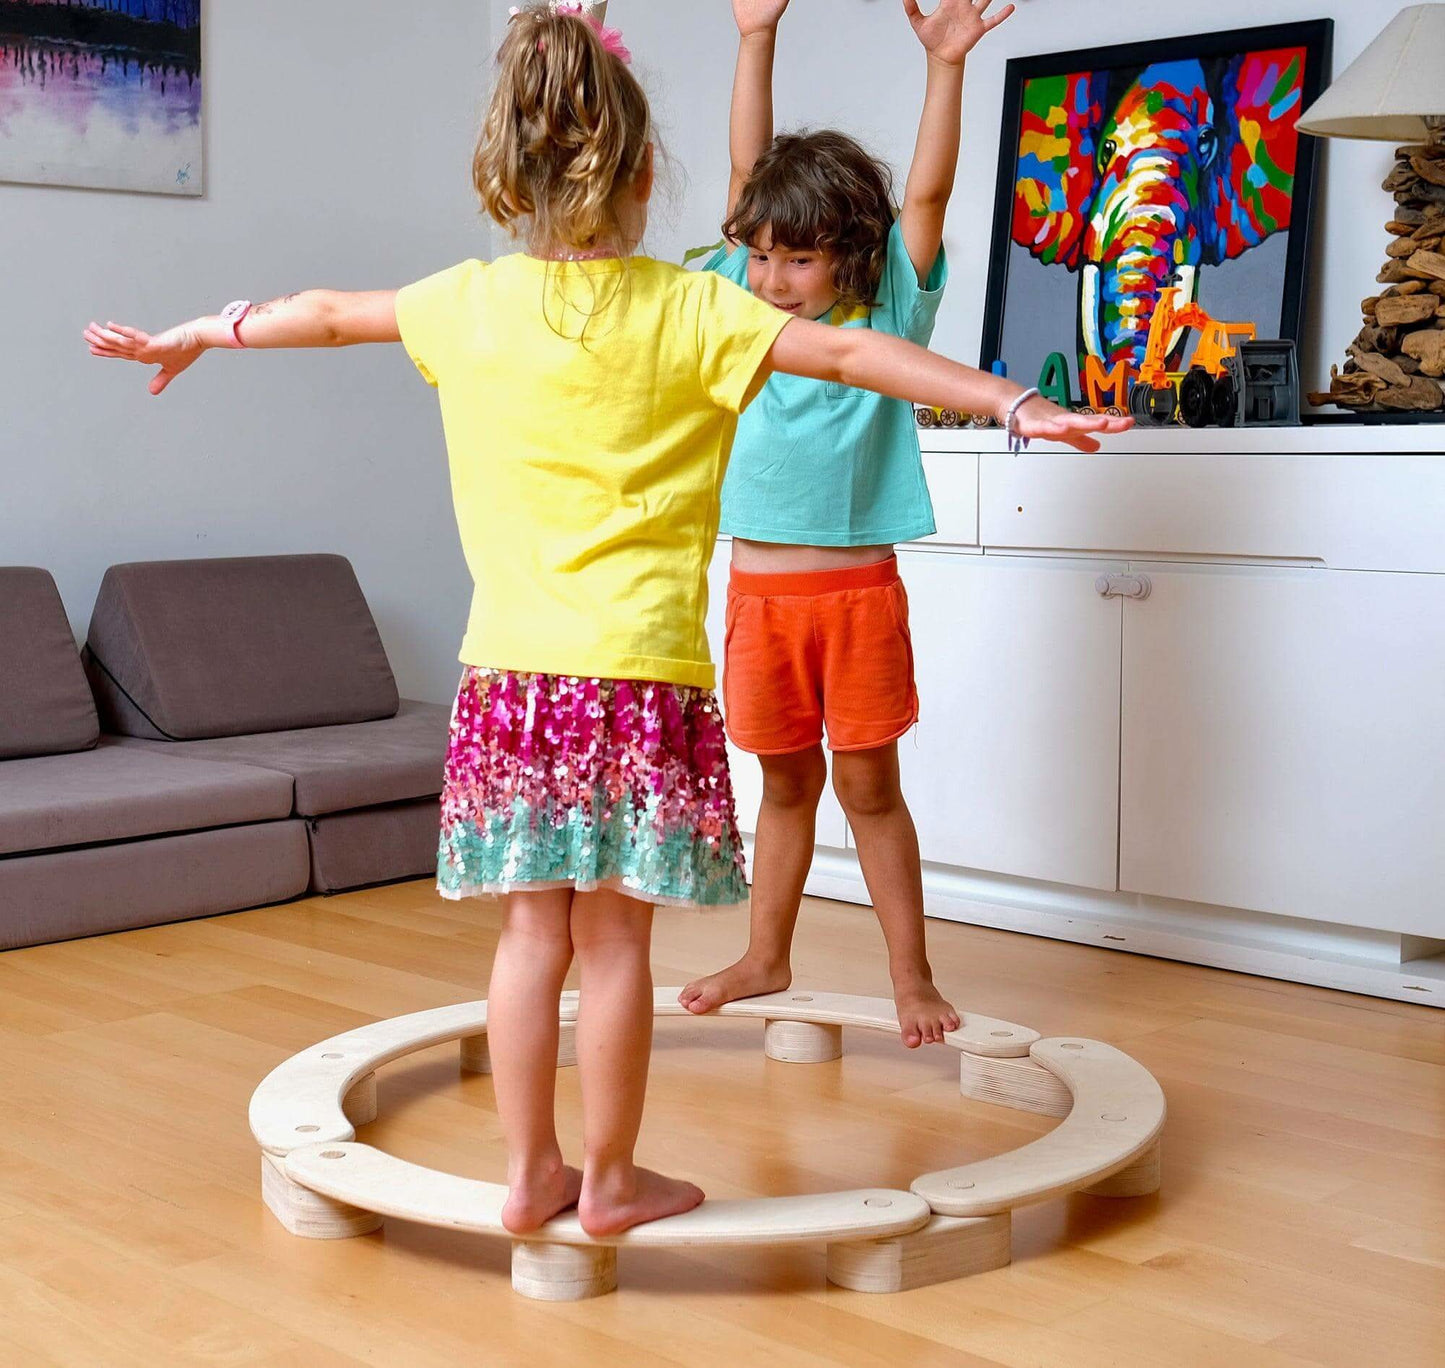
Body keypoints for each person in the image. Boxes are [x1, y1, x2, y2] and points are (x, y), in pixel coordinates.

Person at [85, 3, 1126, 1236]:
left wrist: (205, 330)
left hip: (509, 684)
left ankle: (531, 1175)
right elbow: (854, 361)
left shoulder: (464, 302)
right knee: (617, 946)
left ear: (506, 174)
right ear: (643, 173)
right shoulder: (693, 312)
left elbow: (319, 310)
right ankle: (613, 1182)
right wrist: (1014, 403)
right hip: (635, 684)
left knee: (533, 939)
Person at [681, 0, 1016, 1048]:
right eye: (763, 259)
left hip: (855, 597)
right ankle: (765, 952)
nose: (775, 282)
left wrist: (946, 66)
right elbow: (746, 181)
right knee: (782, 785)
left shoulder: (887, 321)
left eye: (799, 262)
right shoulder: (736, 304)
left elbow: (926, 192)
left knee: (869, 788)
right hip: (759, 598)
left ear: (850, 256)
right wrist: (753, 37)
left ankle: (910, 976)